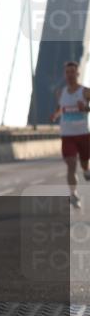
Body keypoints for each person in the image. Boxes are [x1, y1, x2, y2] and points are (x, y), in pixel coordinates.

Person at [48, 61, 90, 209]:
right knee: (71, 165)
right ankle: (73, 194)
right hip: (67, 135)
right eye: (67, 72)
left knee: (85, 162)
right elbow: (61, 109)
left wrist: (85, 107)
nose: (70, 75)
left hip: (83, 134)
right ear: (64, 74)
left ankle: (86, 170)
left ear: (78, 73)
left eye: (72, 72)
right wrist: (55, 115)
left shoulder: (85, 91)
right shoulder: (61, 93)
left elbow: (88, 108)